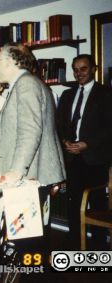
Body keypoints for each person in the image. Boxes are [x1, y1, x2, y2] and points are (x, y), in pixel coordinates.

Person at [0, 43, 66, 266]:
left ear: (11, 61)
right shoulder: (26, 84)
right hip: (32, 172)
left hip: (29, 175)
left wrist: (16, 171)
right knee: (33, 238)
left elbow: (29, 130)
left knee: (28, 240)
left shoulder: (25, 85)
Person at [56, 54, 112, 250]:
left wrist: (87, 143)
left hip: (95, 159)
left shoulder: (106, 94)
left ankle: (98, 246)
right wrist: (64, 141)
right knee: (72, 203)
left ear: (94, 69)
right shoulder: (67, 95)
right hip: (72, 159)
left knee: (97, 204)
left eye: (83, 69)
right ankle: (74, 244)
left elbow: (109, 128)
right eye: (76, 69)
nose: (79, 73)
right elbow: (60, 123)